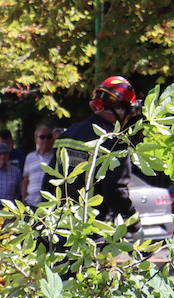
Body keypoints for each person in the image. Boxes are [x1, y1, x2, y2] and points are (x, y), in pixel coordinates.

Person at [46, 76, 141, 221]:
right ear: (120, 110)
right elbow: (115, 191)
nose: (128, 118)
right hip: (94, 230)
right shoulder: (114, 142)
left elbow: (49, 180)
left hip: (62, 226)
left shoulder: (67, 135)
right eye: (129, 112)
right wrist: (132, 219)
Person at [22, 123, 56, 207]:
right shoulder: (29, 157)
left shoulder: (56, 157)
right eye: (42, 137)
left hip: (50, 204)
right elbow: (25, 180)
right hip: (31, 203)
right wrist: (24, 200)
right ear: (36, 139)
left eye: (49, 137)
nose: (45, 140)